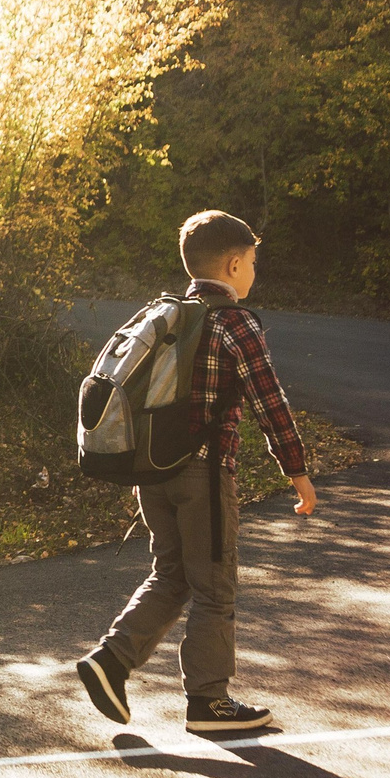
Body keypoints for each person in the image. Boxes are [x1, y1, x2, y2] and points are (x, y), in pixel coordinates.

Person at [76, 210, 317, 733]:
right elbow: (269, 401)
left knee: (173, 575)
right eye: (252, 262)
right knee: (215, 585)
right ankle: (209, 702)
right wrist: (297, 473)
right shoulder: (235, 323)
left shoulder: (165, 317)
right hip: (203, 476)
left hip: (152, 473)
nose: (254, 272)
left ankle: (111, 661)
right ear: (233, 265)